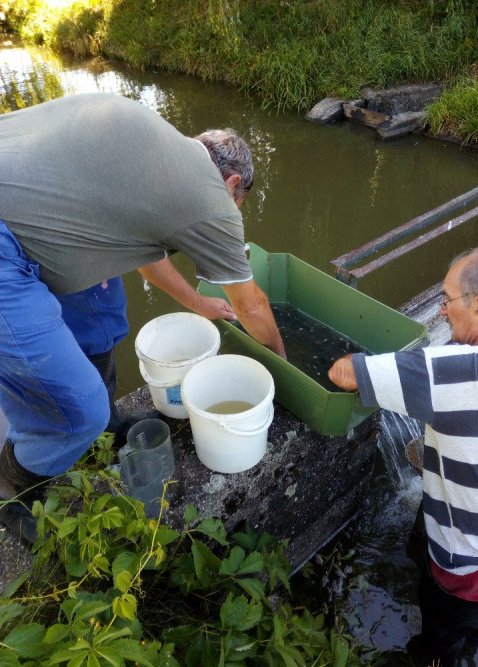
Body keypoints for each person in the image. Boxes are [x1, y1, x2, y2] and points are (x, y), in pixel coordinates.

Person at [0, 92, 285, 543]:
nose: (233, 214)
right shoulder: (211, 198)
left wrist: (198, 302)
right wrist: (280, 363)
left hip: (27, 212)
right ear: (232, 184)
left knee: (101, 311)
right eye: (239, 204)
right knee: (78, 408)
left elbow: (145, 254)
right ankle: (15, 487)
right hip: (5, 248)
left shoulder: (162, 152)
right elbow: (253, 306)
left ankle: (107, 423)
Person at [328, 244, 478, 667]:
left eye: (446, 299)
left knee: (442, 634)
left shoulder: (451, 373)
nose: (441, 311)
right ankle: (473, 642)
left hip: (467, 561)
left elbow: (344, 373)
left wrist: (355, 355)